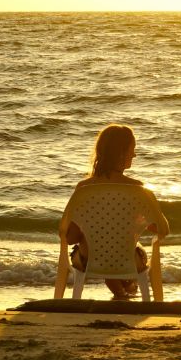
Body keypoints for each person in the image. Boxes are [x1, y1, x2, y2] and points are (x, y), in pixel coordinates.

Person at [65, 125, 169, 298]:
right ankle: (125, 289)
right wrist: (136, 221)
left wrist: (92, 228)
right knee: (131, 248)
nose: (134, 155)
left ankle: (120, 292)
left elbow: (70, 238)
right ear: (121, 153)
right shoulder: (137, 189)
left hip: (89, 260)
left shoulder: (84, 189)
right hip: (128, 261)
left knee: (93, 245)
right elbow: (162, 229)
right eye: (132, 150)